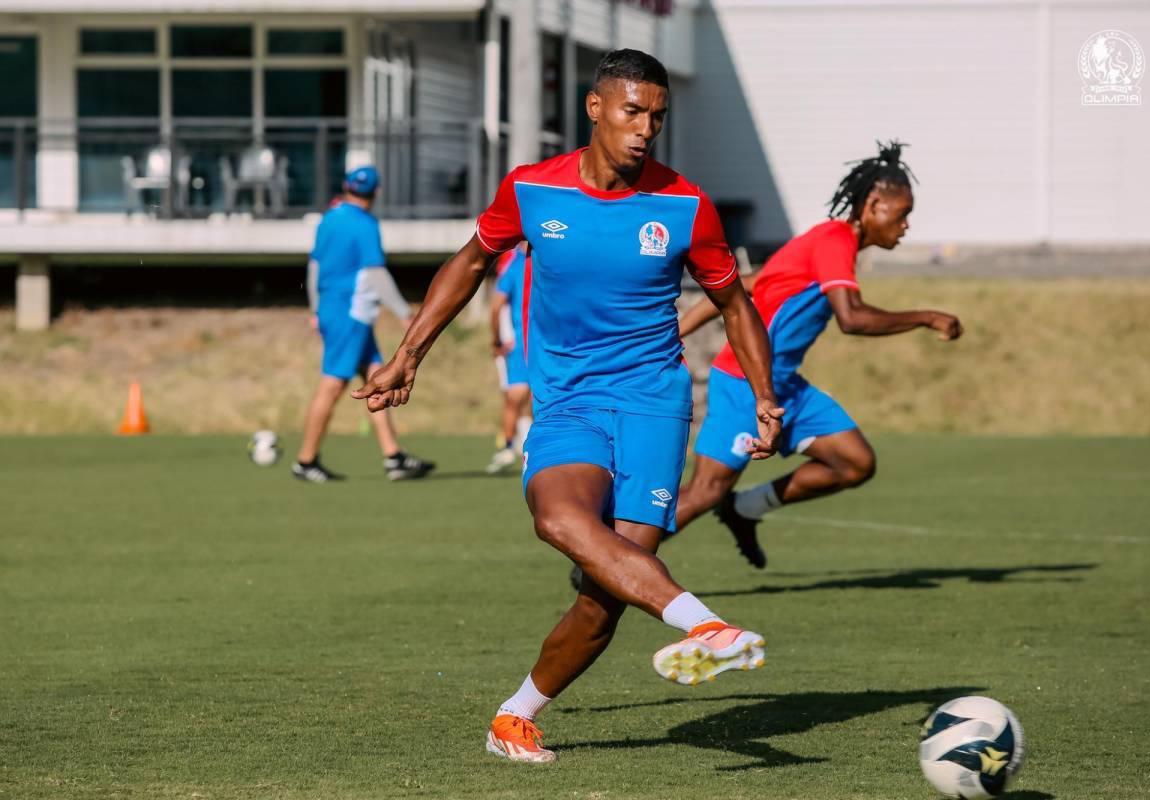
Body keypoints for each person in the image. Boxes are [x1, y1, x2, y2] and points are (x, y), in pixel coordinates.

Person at [353, 49, 784, 764]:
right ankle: (707, 627)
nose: (646, 128)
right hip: (571, 402)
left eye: (657, 115)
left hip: (654, 404)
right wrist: (408, 354)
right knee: (558, 516)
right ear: (595, 108)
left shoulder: (686, 205)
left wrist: (765, 397)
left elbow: (733, 302)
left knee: (605, 591)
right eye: (632, 111)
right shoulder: (532, 190)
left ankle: (514, 718)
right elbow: (468, 262)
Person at [672, 140, 962, 567]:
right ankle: (611, 559)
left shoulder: (826, 245)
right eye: (902, 214)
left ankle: (744, 508)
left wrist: (679, 330)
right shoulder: (833, 240)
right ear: (874, 204)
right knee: (704, 492)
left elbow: (748, 284)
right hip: (745, 384)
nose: (905, 226)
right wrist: (926, 317)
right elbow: (852, 317)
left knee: (854, 462)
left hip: (784, 385)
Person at [293, 165, 436, 483]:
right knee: (332, 385)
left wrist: (316, 309)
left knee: (377, 377)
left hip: (333, 309)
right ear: (377, 192)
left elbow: (314, 265)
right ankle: (305, 461)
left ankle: (393, 457)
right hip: (351, 313)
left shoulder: (329, 218)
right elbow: (375, 273)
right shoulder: (365, 224)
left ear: (346, 187)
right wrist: (403, 312)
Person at [485, 243, 533, 474]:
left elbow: (495, 307)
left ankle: (510, 447)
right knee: (530, 398)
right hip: (544, 342)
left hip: (524, 343)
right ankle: (517, 447)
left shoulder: (514, 265)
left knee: (515, 396)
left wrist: (496, 340)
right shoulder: (549, 260)